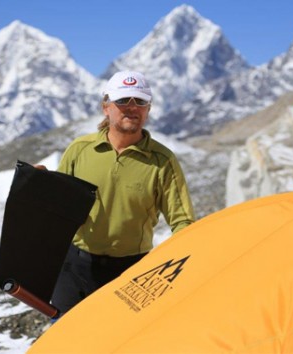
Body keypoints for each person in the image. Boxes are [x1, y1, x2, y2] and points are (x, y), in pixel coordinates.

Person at [43, 70, 195, 316]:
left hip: (131, 271)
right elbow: (59, 207)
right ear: (106, 107)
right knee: (64, 340)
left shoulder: (163, 161)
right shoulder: (79, 150)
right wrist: (39, 185)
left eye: (140, 101)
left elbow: (183, 222)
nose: (132, 107)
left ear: (148, 109)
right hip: (74, 268)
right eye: (123, 100)